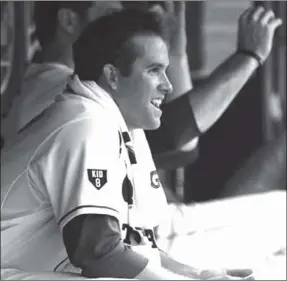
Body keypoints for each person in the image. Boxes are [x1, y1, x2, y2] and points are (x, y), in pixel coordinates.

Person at [1, 8, 259, 280]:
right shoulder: (84, 121)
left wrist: (199, 275)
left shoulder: (120, 123)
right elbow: (99, 253)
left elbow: (139, 247)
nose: (168, 86)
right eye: (154, 71)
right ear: (112, 76)